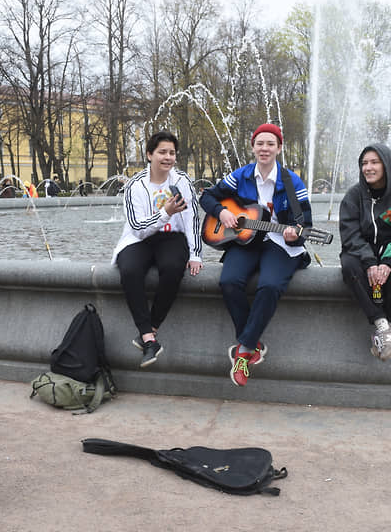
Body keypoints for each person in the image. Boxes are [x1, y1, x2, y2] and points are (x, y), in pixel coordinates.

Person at [199, 123, 312, 386]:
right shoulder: (241, 175)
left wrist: (296, 232)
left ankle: (245, 350)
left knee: (270, 285)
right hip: (247, 240)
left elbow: (304, 223)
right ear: (252, 147)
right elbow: (207, 197)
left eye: (270, 144)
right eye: (260, 143)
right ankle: (252, 341)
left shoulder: (291, 181)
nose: (264, 148)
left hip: (279, 243)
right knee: (229, 281)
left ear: (279, 148)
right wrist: (221, 212)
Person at [111, 130, 203, 367]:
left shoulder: (182, 181)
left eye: (172, 153)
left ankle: (150, 330)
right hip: (139, 239)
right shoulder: (135, 185)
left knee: (173, 268)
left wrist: (195, 254)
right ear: (150, 154)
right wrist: (166, 212)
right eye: (162, 152)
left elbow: (192, 219)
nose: (168, 157)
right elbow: (138, 227)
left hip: (172, 238)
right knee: (129, 269)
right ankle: (148, 338)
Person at [339, 144, 391, 361]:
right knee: (349, 267)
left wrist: (388, 261)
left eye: (374, 162)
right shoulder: (353, 195)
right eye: (364, 163)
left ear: (387, 165)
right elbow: (350, 234)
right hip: (362, 251)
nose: (368, 168)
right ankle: (381, 324)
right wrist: (370, 262)